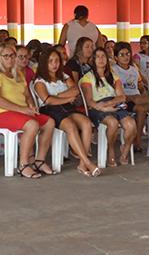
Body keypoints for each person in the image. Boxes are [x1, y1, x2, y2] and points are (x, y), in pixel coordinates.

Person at [0, 43, 56, 178]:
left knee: (49, 122)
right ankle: (23, 165)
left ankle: (39, 161)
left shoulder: (18, 73)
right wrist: (22, 109)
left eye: (12, 55)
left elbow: (27, 95)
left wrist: (32, 106)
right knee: (32, 124)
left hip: (21, 112)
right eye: (6, 56)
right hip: (1, 113)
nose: (10, 59)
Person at [33, 48, 99, 177]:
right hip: (50, 110)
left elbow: (75, 90)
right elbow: (48, 100)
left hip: (67, 108)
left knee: (86, 123)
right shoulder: (40, 81)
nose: (54, 64)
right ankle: (87, 162)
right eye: (50, 61)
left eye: (57, 60)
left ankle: (81, 163)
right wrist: (67, 98)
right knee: (70, 126)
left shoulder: (63, 76)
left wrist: (58, 95)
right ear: (44, 63)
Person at [81, 47, 138, 167]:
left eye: (103, 56)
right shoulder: (88, 77)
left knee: (131, 124)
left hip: (113, 103)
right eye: (98, 57)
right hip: (97, 107)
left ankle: (125, 151)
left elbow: (121, 96)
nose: (101, 59)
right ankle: (110, 149)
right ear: (93, 60)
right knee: (112, 122)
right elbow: (89, 101)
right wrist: (102, 108)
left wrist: (108, 104)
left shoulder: (113, 75)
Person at [112, 41, 149, 151]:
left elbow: (140, 86)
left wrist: (143, 93)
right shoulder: (114, 69)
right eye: (121, 55)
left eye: (127, 54)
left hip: (136, 98)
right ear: (116, 57)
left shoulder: (134, 69)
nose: (125, 57)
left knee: (143, 108)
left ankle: (138, 142)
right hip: (124, 100)